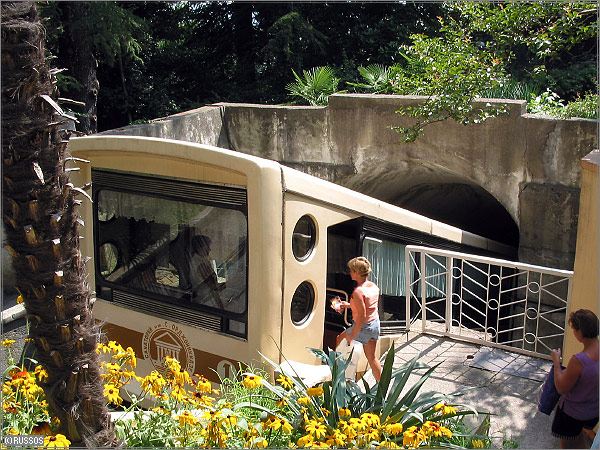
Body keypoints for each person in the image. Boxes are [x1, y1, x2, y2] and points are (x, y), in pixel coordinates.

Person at [551, 309, 599, 449]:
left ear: (580, 332)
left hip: (572, 414)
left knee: (567, 445)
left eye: (574, 329)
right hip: (593, 411)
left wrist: (556, 363)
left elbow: (561, 387)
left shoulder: (578, 361)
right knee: (579, 440)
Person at [333, 256, 382, 381]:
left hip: (363, 326)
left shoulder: (358, 292)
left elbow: (362, 315)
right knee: (372, 357)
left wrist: (352, 334)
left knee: (340, 340)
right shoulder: (373, 287)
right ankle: (383, 386)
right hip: (374, 325)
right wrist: (348, 305)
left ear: (357, 272)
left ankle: (336, 373)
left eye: (351, 270)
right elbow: (368, 307)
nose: (349, 272)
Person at [190, 235, 224, 308]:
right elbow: (210, 283)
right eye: (207, 247)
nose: (209, 249)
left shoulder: (204, 259)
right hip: (205, 300)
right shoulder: (198, 262)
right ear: (200, 247)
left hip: (210, 297)